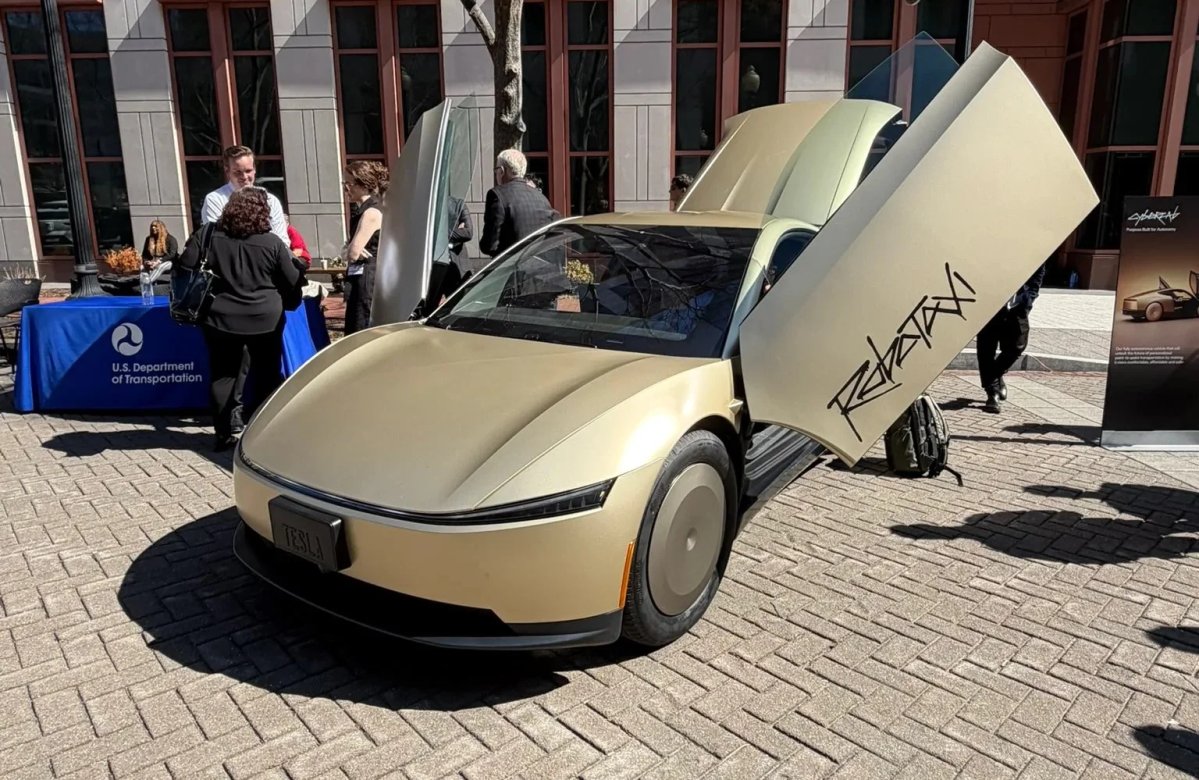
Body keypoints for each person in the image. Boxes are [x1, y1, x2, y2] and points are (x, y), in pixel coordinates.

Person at [177, 187, 302, 451]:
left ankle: (224, 433)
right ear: (263, 213)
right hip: (264, 318)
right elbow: (291, 280)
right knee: (267, 373)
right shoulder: (271, 243)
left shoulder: (207, 235)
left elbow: (185, 266)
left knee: (223, 375)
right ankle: (265, 434)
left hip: (219, 317)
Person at [978, 262, 1047, 413]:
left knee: (1017, 346)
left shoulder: (1034, 254)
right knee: (986, 349)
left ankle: (996, 376)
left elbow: (1037, 277)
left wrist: (1028, 300)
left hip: (1018, 307)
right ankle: (993, 394)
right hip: (989, 306)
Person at [201, 145, 289, 243]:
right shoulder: (215, 200)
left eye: (248, 171)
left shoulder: (271, 200)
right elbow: (215, 240)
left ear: (254, 169)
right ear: (227, 171)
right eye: (237, 172)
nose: (244, 177)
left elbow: (282, 240)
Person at [481, 149, 557, 258]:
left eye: (496, 170)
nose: (495, 173)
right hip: (539, 263)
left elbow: (489, 245)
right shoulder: (541, 197)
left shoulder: (497, 195)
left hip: (511, 264)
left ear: (502, 171)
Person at [341, 160, 387, 334]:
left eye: (349, 183)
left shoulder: (371, 213)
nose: (346, 188)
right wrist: (350, 250)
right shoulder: (361, 211)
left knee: (361, 325)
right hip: (359, 275)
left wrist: (351, 250)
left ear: (363, 184)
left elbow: (352, 253)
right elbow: (348, 250)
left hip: (367, 278)